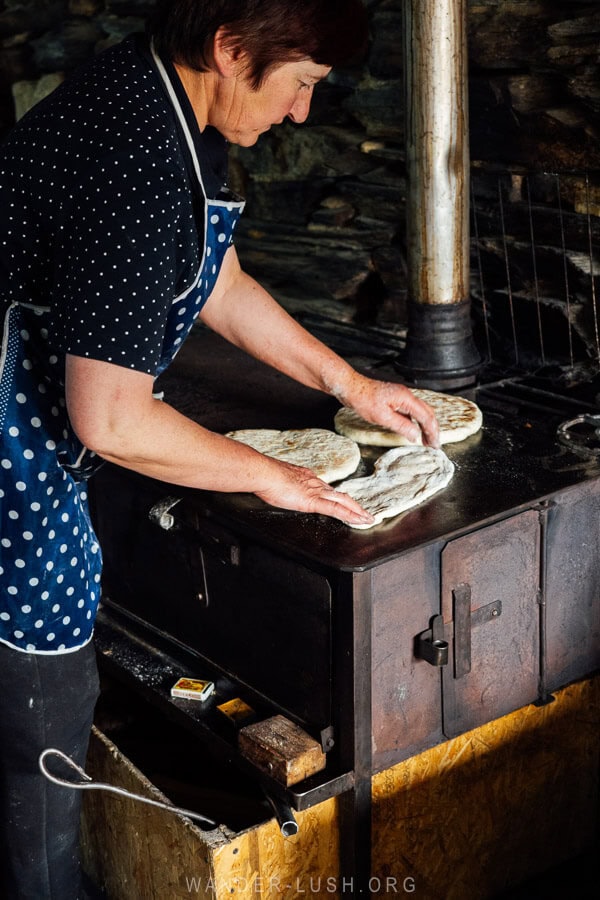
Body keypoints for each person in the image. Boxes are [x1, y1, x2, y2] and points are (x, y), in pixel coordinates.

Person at [0, 1, 440, 896]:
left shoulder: (163, 101)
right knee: (40, 715)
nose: (302, 113)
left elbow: (219, 280)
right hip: (11, 470)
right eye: (302, 84)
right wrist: (279, 476)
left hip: (36, 444)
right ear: (231, 49)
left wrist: (351, 387)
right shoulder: (133, 157)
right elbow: (112, 421)